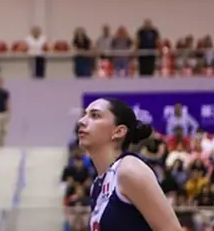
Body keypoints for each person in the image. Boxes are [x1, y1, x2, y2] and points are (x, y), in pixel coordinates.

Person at [77, 97, 180, 231]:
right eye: (84, 115)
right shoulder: (97, 184)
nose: (81, 121)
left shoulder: (129, 169)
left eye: (95, 115)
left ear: (118, 131)